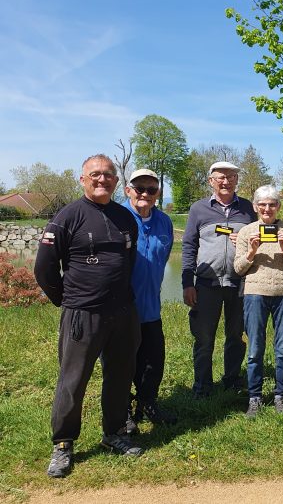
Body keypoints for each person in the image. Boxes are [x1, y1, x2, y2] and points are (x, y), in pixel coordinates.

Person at [35, 154, 142, 478]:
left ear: (116, 181)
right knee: (73, 380)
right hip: (82, 314)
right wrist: (66, 301)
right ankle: (63, 444)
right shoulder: (67, 217)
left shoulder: (125, 217)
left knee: (120, 377)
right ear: (82, 179)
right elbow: (44, 269)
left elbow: (129, 260)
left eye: (108, 175)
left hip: (123, 312)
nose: (102, 180)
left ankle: (114, 433)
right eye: (95, 174)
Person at [181, 161, 256, 398]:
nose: (225, 181)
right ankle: (202, 385)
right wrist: (187, 282)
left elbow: (260, 242)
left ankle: (232, 379)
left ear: (236, 180)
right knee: (203, 337)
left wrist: (244, 244)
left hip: (239, 282)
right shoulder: (198, 209)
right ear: (211, 181)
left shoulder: (248, 209)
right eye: (220, 177)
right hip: (206, 283)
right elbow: (189, 246)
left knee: (236, 335)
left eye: (231, 177)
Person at [234, 185, 283, 416]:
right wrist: (252, 251)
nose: (267, 208)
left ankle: (281, 395)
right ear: (255, 207)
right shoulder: (246, 232)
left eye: (272, 204)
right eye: (262, 204)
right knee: (255, 350)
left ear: (279, 207)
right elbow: (239, 269)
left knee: (282, 349)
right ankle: (255, 397)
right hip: (255, 294)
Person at [122, 169, 176, 432]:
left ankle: (147, 402)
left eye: (151, 189)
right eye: (139, 188)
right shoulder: (116, 217)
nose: (145, 193)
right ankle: (122, 411)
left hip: (151, 307)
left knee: (153, 360)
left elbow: (162, 259)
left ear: (158, 194)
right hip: (120, 310)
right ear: (128, 190)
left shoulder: (164, 222)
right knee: (122, 363)